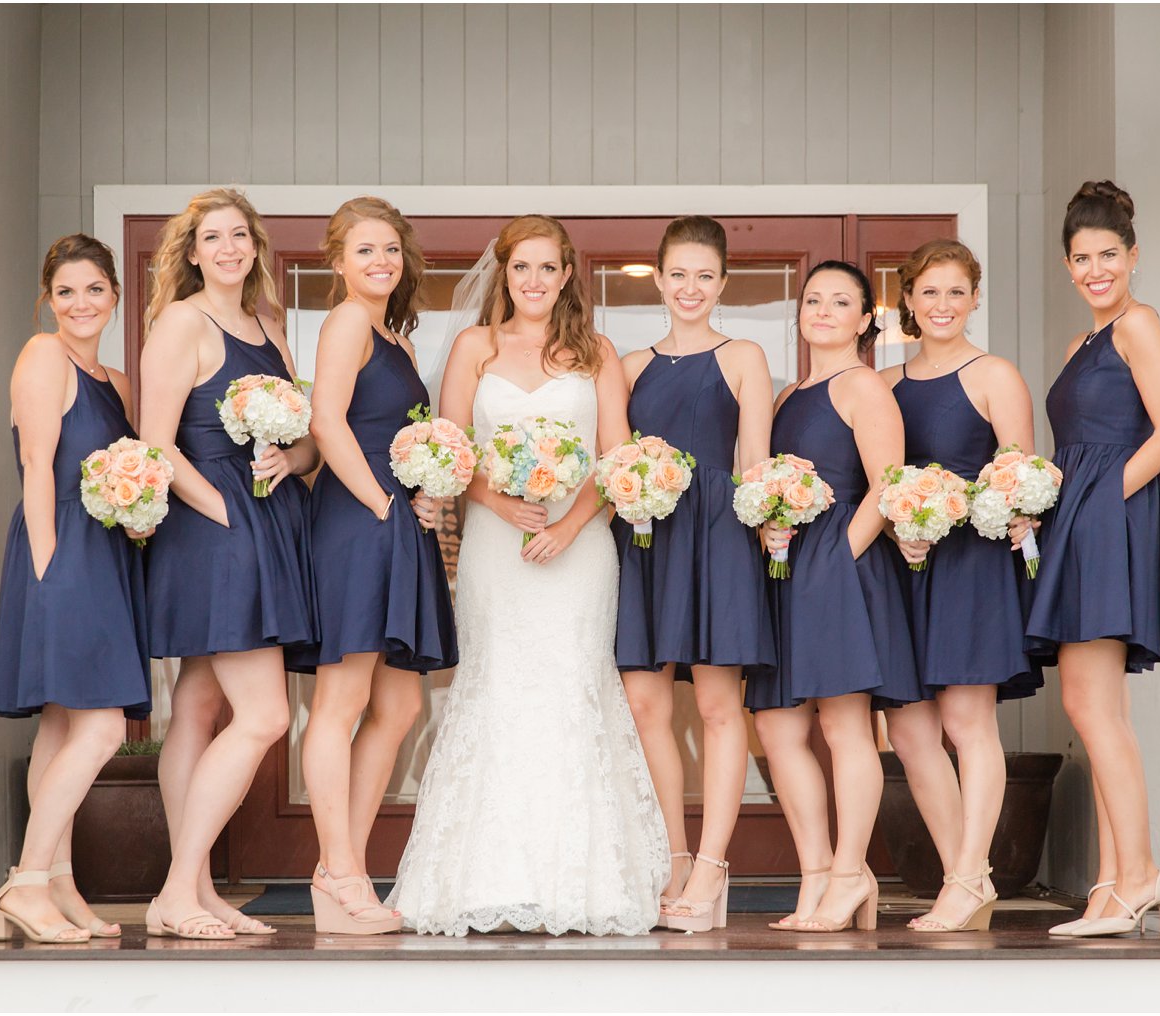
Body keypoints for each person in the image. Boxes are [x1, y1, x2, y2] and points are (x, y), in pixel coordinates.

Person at [387, 215, 668, 936]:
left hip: (580, 551)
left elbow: (618, 459)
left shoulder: (595, 352)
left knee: (574, 690)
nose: (535, 282)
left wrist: (572, 525)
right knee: (501, 688)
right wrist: (501, 503)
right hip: (495, 547)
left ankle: (587, 882)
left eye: (548, 268)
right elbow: (451, 452)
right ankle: (488, 877)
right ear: (504, 273)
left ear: (567, 274)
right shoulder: (475, 348)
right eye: (522, 269)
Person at [140, 188, 317, 939]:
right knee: (267, 714)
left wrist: (293, 453)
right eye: (212, 238)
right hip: (216, 524)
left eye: (239, 235)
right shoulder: (183, 322)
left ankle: (200, 889)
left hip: (267, 515)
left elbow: (306, 443)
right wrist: (221, 513)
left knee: (201, 707)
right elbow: (156, 442)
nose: (228, 248)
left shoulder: (270, 326)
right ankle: (178, 890)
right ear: (191, 252)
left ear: (255, 246)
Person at [290, 197, 457, 934]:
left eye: (390, 250)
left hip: (394, 523)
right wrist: (386, 506)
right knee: (342, 700)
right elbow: (326, 420)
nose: (380, 262)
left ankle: (345, 868)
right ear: (338, 262)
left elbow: (397, 436)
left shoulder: (399, 339)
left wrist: (422, 496)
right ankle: (340, 876)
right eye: (364, 251)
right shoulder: (347, 321)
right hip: (358, 525)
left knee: (400, 706)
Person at [1026, 181, 1160, 937]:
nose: (1096, 269)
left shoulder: (1138, 323)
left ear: (1132, 257)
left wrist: (1097, 504)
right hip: (1080, 520)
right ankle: (1116, 878)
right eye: (1082, 257)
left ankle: (1136, 876)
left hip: (1110, 520)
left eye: (1108, 255)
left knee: (1092, 707)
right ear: (1068, 265)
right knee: (1096, 709)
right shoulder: (1079, 345)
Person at [0, 234, 151, 943]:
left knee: (60, 724)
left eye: (93, 289)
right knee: (103, 724)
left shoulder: (116, 379)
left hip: (108, 553)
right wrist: (49, 575)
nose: (80, 303)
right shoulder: (43, 355)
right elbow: (36, 464)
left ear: (114, 295)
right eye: (66, 292)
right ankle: (24, 884)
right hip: (64, 551)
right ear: (48, 301)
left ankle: (59, 885)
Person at [748, 261, 921, 933]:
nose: (822, 310)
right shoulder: (792, 393)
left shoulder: (863, 388)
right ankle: (816, 872)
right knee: (777, 726)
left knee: (844, 726)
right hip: (787, 566)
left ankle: (850, 874)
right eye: (813, 299)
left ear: (865, 319)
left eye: (840, 301)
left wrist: (835, 560)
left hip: (841, 563)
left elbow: (888, 485)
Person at [615, 216, 775, 931]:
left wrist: (768, 521)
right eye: (677, 274)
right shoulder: (627, 366)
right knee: (646, 705)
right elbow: (612, 467)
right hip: (646, 538)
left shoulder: (744, 354)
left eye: (704, 275)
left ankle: (712, 869)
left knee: (717, 708)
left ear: (722, 282)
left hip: (717, 534)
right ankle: (672, 858)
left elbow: (755, 465)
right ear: (657, 278)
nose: (690, 288)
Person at [879, 238, 1041, 933]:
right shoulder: (883, 384)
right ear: (907, 302)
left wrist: (977, 506)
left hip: (973, 566)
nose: (942, 305)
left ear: (974, 299)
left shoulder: (994, 375)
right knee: (910, 730)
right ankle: (962, 880)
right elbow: (876, 483)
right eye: (928, 292)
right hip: (904, 566)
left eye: (955, 292)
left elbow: (1021, 481)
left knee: (967, 722)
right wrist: (899, 530)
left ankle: (971, 874)